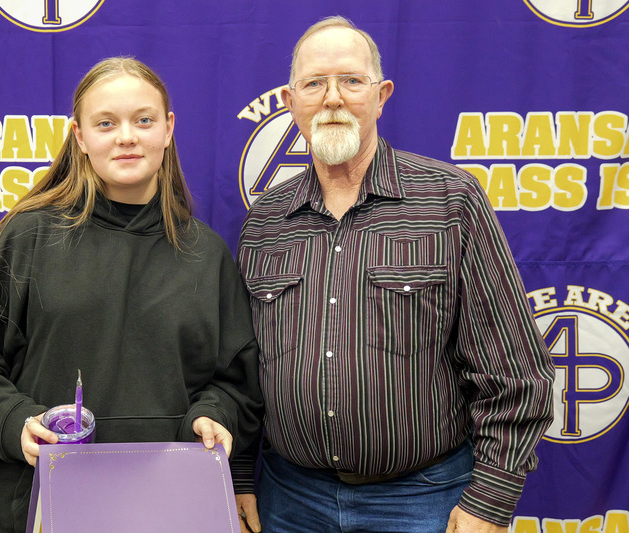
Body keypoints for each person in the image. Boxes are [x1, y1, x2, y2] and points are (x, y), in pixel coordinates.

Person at [235, 16, 556, 533]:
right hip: (288, 500)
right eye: (314, 83)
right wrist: (243, 473)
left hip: (423, 499)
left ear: (381, 95)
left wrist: (491, 498)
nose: (333, 98)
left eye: (351, 81)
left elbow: (516, 372)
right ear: (291, 102)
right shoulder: (266, 221)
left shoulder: (450, 199)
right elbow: (245, 370)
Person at [0, 57, 263, 533]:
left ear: (168, 129)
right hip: (43, 509)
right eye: (106, 123)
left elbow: (236, 383)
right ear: (80, 137)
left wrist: (213, 415)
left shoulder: (206, 254)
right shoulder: (28, 236)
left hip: (169, 511)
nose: (126, 136)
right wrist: (14, 421)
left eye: (143, 120)